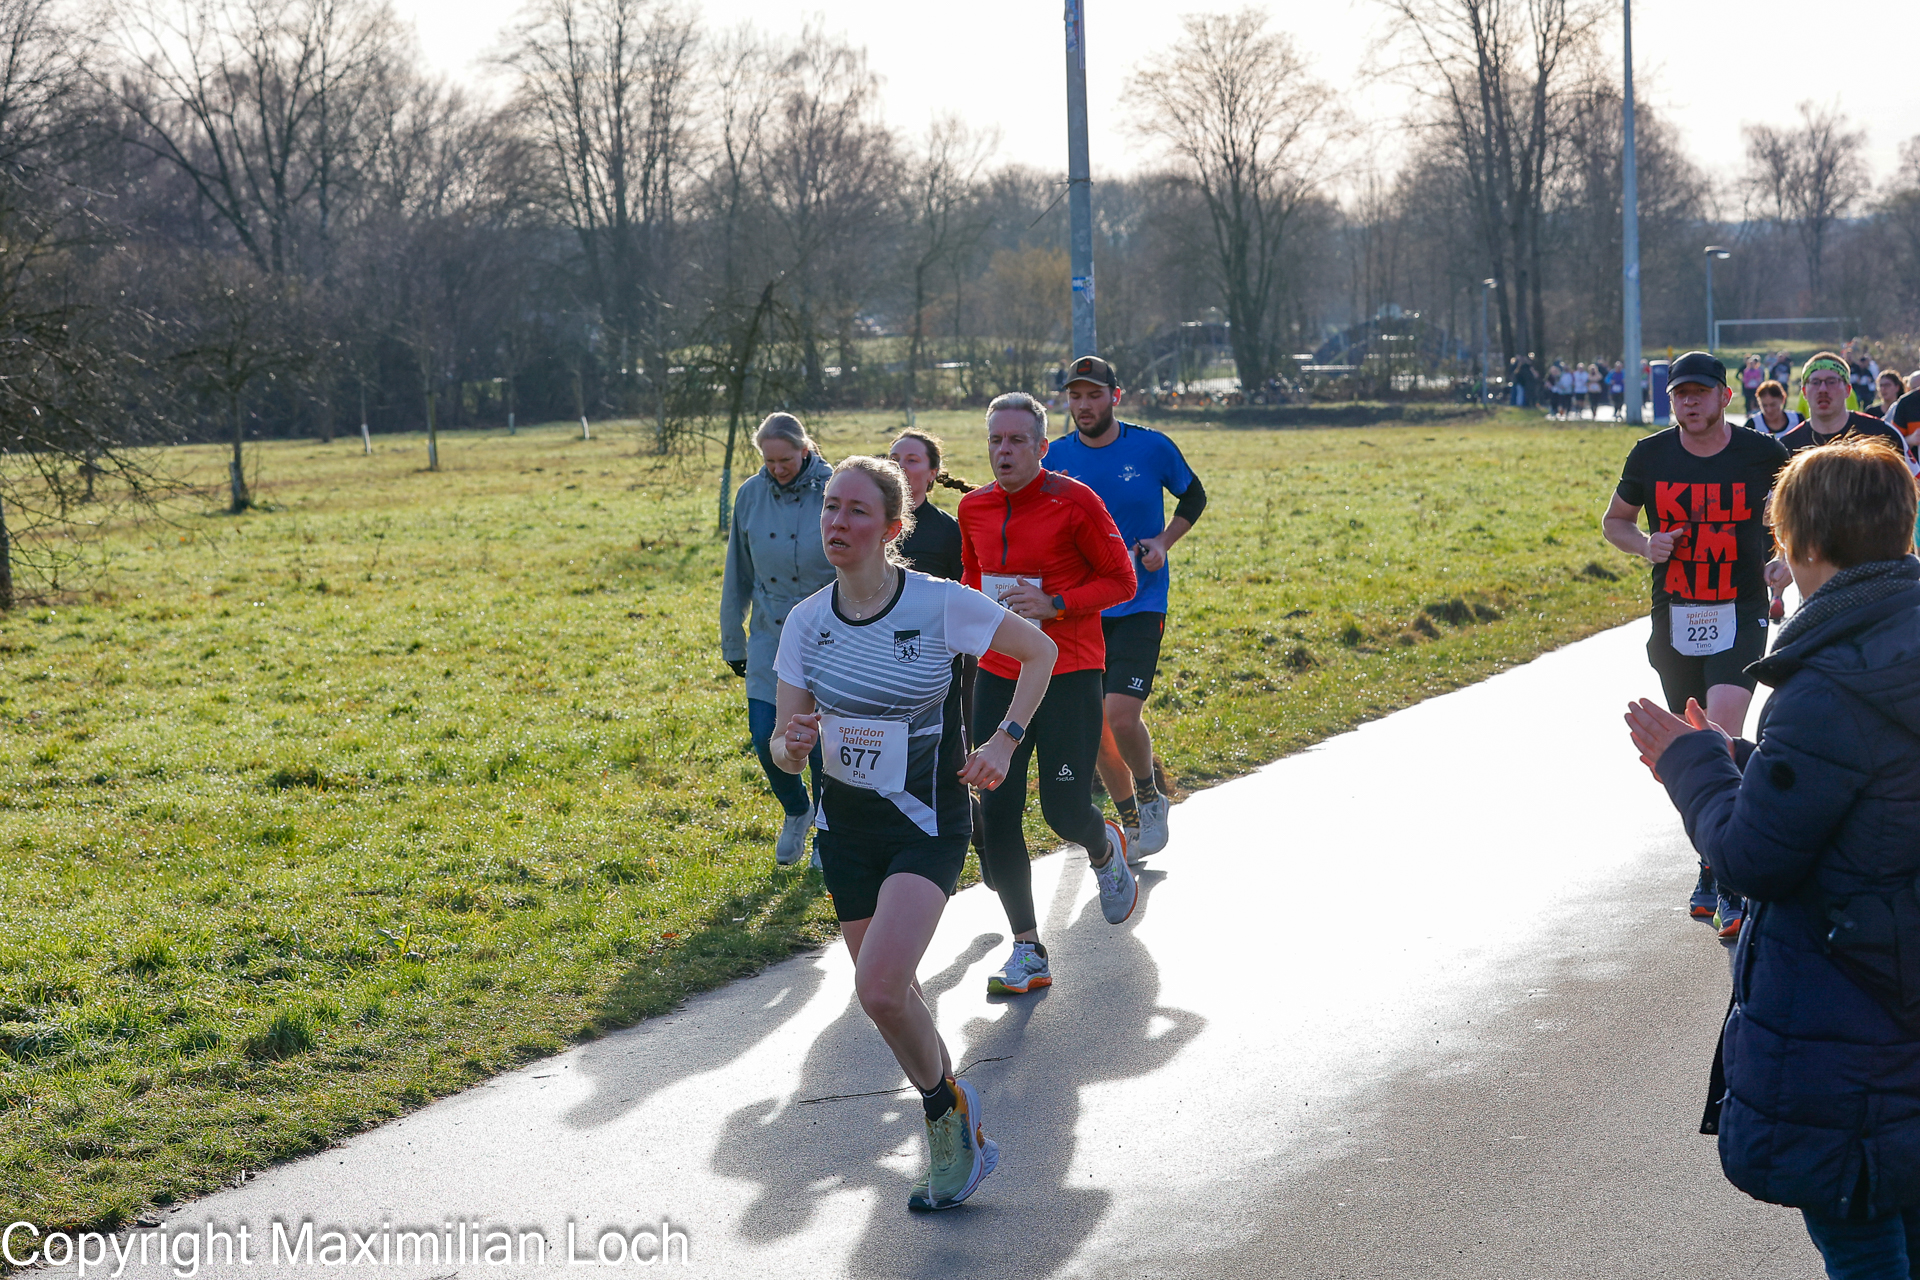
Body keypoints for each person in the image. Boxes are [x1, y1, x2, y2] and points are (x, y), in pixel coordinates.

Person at [1623, 437, 1920, 1280]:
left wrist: (1691, 767)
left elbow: (1753, 858)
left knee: (1858, 1231)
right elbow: (1866, 787)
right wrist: (1741, 759)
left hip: (1849, 1002)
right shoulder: (1898, 645)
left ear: (1807, 544)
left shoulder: (1823, 684)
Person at [771, 455, 1057, 1211]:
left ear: (891, 527)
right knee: (894, 997)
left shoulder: (936, 603)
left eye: (856, 511)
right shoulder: (806, 622)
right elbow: (783, 742)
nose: (837, 522)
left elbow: (1040, 652)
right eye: (831, 508)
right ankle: (955, 1114)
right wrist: (792, 745)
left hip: (926, 824)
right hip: (844, 830)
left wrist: (1004, 741)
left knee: (877, 988)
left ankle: (944, 1120)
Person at [1602, 350, 1791, 940]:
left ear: (1725, 397)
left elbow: (1800, 516)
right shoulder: (1650, 454)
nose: (1689, 401)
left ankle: (1726, 878)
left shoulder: (1763, 454)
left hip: (1741, 607)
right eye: (1679, 393)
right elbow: (1615, 521)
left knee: (1720, 731)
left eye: (1700, 392)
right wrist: (1645, 545)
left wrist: (1786, 559)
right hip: (1676, 612)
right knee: (1691, 738)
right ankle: (1714, 858)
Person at [959, 391, 1140, 997]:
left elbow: (1122, 580)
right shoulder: (973, 508)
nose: (1004, 451)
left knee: (1063, 812)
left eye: (1017, 440)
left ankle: (1103, 845)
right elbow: (971, 581)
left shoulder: (1075, 501)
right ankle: (1027, 949)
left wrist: (1054, 603)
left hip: (1069, 670)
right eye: (995, 440)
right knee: (997, 810)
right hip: (999, 672)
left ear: (1042, 446)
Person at [1045, 354, 1207, 856]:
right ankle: (1131, 819)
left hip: (1140, 600)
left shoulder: (1152, 447)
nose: (1084, 405)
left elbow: (1194, 496)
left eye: (1094, 395)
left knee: (1119, 715)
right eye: (1076, 396)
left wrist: (1162, 542)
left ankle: (1151, 796)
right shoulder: (1052, 457)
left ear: (1115, 397)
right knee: (1096, 727)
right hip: (1080, 607)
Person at [720, 413, 836, 867]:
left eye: (785, 459)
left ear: (805, 450)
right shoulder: (750, 495)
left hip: (830, 632)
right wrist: (734, 642)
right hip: (771, 633)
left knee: (825, 746)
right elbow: (737, 572)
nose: (777, 468)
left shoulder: (835, 488)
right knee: (764, 734)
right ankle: (797, 809)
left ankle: (828, 830)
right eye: (769, 461)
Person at [1780, 353, 1908, 456]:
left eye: (1831, 381)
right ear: (1804, 392)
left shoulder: (1881, 434)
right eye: (1815, 382)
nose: (1823, 389)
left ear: (1847, 390)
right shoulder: (1786, 446)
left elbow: (1913, 478)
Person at [888, 431, 974, 582]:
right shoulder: (865, 522)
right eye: (894, 459)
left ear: (932, 473)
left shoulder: (950, 532)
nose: (899, 466)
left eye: (912, 460)